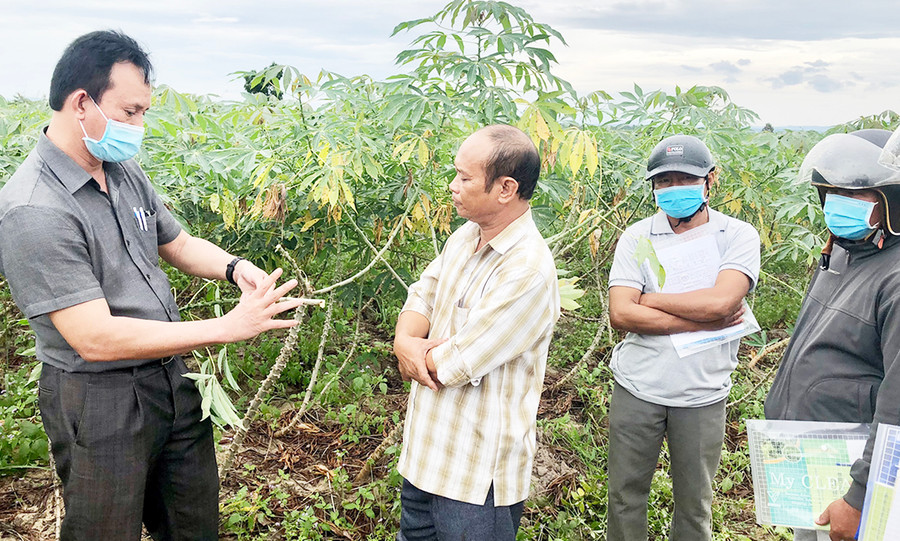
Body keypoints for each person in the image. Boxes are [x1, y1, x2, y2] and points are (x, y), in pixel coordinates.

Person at [0, 31, 303, 540]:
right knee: (106, 531)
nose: (140, 126)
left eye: (144, 112)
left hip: (171, 379)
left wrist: (234, 267)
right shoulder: (35, 208)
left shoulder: (121, 169)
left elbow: (178, 244)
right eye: (130, 111)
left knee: (193, 525)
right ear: (81, 103)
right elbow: (94, 338)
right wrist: (225, 328)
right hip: (100, 399)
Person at [392, 124, 560, 540]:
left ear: (505, 188)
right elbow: (423, 296)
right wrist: (403, 341)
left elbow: (455, 362)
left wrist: (412, 352)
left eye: (464, 178)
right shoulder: (465, 237)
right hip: (425, 457)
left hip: (475, 477)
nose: (453, 186)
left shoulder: (527, 271)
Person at [606, 134, 760, 540]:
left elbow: (723, 303)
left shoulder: (737, 235)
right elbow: (622, 312)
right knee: (624, 497)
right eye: (664, 182)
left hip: (702, 395)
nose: (674, 189)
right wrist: (703, 317)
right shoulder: (637, 237)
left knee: (695, 505)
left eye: (685, 179)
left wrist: (651, 300)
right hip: (638, 388)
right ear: (653, 187)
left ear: (710, 180)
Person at [765, 128, 900, 541]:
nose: (840, 202)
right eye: (833, 191)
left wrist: (861, 497)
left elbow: (897, 407)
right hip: (812, 455)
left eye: (857, 194)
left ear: (892, 201)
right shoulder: (840, 251)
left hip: (851, 474)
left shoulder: (894, 279)